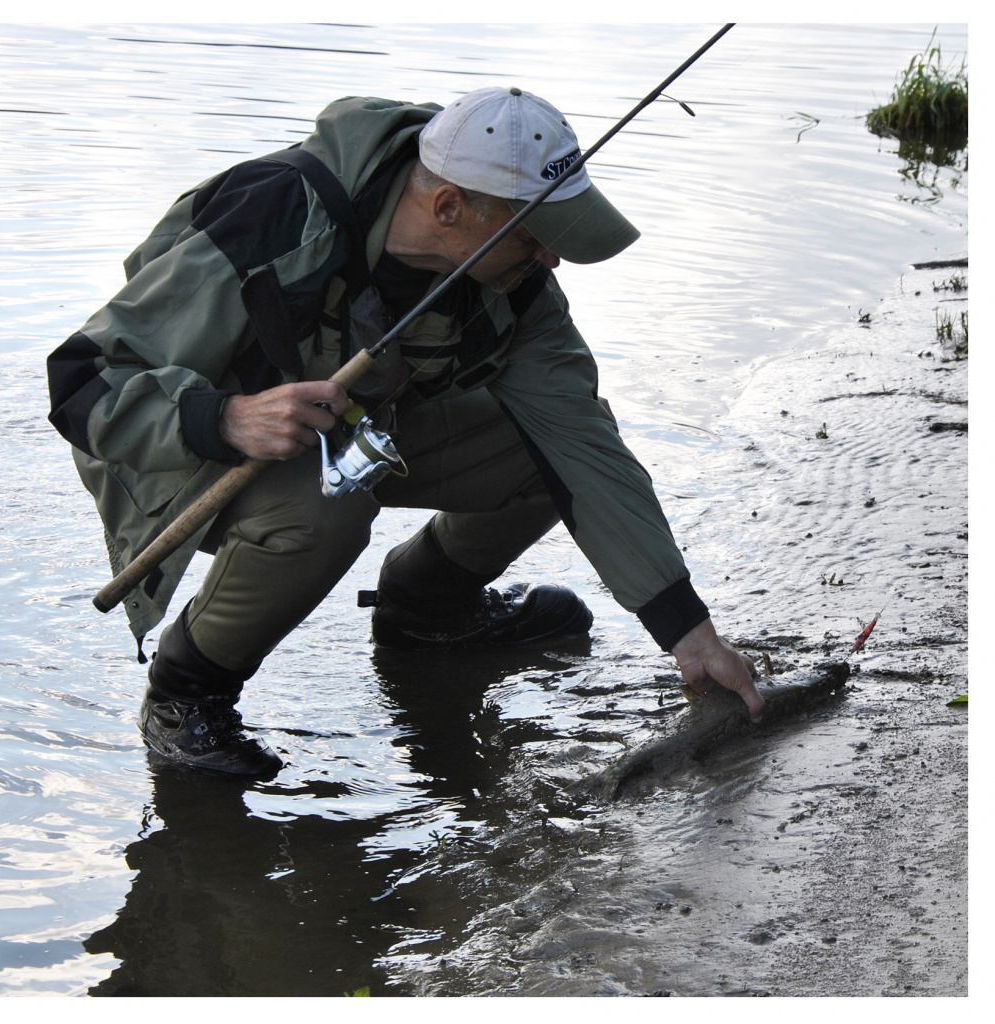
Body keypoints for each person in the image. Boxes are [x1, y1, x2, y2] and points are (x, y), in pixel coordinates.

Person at [47, 86, 764, 777]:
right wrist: (226, 418)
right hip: (178, 440)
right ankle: (184, 697)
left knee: (542, 449)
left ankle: (426, 612)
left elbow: (584, 447)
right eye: (537, 235)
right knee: (328, 508)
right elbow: (81, 380)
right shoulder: (274, 214)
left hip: (357, 428)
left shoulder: (515, 286)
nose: (552, 258)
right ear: (450, 207)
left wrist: (687, 632)